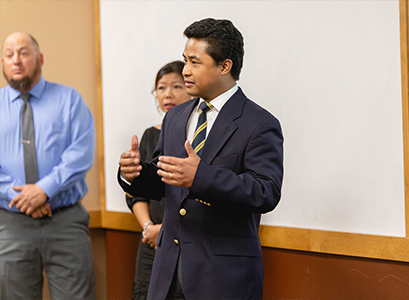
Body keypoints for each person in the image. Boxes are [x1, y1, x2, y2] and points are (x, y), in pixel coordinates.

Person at [118, 18, 283, 300]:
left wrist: (201, 177)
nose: (185, 71)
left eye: (195, 62)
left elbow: (265, 192)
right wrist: (133, 174)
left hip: (222, 278)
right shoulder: (176, 117)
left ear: (224, 66)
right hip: (167, 274)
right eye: (185, 60)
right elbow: (162, 180)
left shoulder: (259, 123)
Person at [0, 31, 96, 299]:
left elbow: (81, 152)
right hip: (10, 224)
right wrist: (20, 195)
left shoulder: (69, 99)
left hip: (65, 220)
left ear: (39, 58)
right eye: (9, 55)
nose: (16, 60)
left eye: (24, 52)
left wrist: (44, 189)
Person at [127, 60, 191, 300]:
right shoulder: (150, 135)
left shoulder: (198, 136)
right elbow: (137, 192)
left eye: (176, 86)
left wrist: (166, 230)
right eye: (161, 88)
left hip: (186, 240)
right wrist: (149, 229)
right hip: (151, 241)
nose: (168, 94)